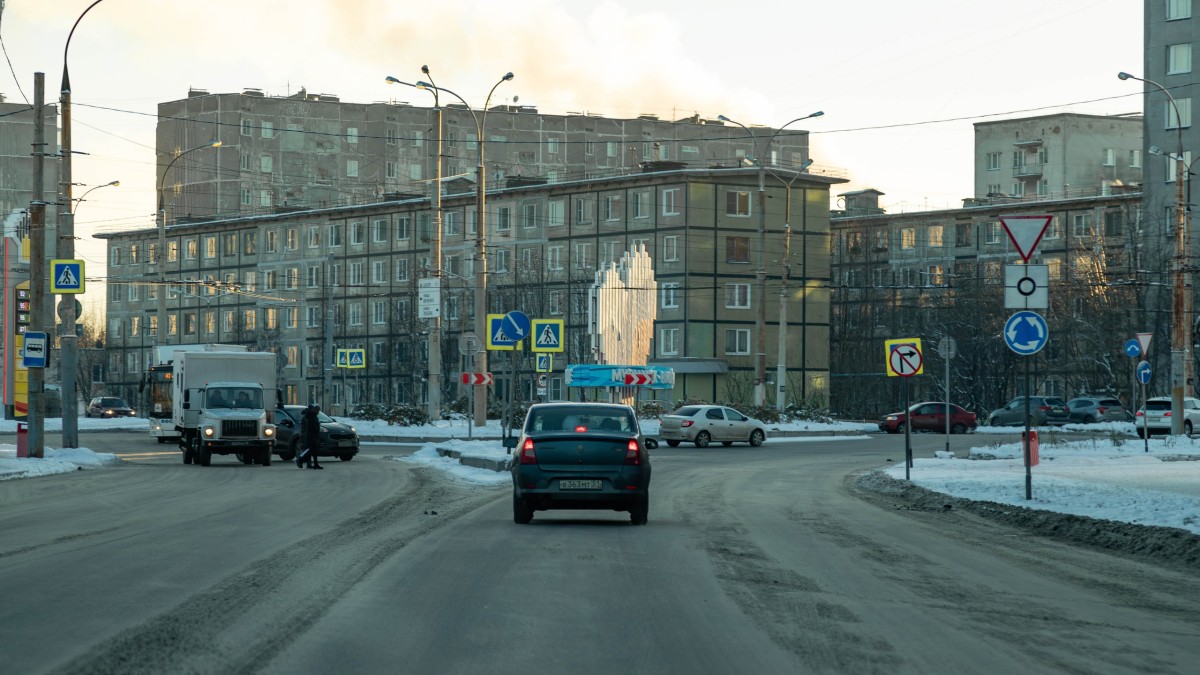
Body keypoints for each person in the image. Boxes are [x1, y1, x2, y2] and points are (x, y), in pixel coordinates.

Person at [296, 403, 324, 469]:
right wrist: (317, 430)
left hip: (311, 435)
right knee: (310, 450)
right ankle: (300, 460)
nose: (318, 412)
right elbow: (312, 427)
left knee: (313, 450)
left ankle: (313, 464)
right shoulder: (311, 416)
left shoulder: (311, 416)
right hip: (310, 436)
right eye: (318, 410)